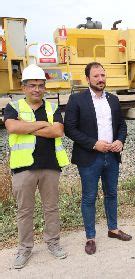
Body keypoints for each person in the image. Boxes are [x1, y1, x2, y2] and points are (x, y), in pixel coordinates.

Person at [4, 64, 69, 269]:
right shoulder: (13, 107)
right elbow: (13, 126)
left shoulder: (52, 107)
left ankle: (53, 243)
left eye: (40, 85)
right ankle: (24, 249)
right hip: (23, 168)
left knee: (51, 208)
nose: (37, 89)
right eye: (32, 85)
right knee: (25, 210)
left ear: (45, 87)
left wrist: (28, 127)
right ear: (23, 87)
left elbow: (58, 131)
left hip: (50, 165)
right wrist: (43, 126)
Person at [64, 62, 131, 255]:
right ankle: (90, 237)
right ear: (87, 79)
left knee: (111, 194)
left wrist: (120, 140)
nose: (100, 79)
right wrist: (94, 144)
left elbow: (122, 125)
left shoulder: (113, 99)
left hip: (112, 156)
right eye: (96, 76)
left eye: (103, 75)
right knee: (89, 197)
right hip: (89, 157)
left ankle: (113, 229)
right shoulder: (77, 100)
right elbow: (70, 129)